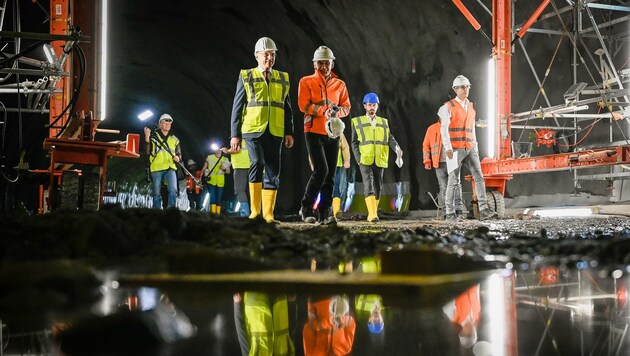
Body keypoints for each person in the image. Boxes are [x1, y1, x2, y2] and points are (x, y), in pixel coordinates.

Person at [230, 36, 294, 223]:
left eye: (272, 55)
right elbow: (237, 106)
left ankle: (268, 215)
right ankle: (255, 212)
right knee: (256, 163)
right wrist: (235, 135)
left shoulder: (283, 78)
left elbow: (287, 108)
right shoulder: (246, 75)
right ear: (257, 56)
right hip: (252, 129)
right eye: (265, 55)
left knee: (274, 171)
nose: (269, 59)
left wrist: (289, 131)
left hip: (275, 130)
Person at [298, 45, 351, 225]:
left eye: (327, 63)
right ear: (314, 64)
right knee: (321, 170)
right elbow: (303, 105)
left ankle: (325, 212)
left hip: (333, 133)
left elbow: (347, 107)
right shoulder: (306, 82)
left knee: (331, 174)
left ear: (332, 63)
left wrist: (337, 113)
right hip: (313, 131)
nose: (324, 66)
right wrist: (324, 111)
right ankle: (306, 208)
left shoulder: (340, 84)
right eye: (320, 63)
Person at [438, 75, 497, 223]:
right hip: (455, 150)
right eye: (463, 87)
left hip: (470, 148)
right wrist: (448, 147)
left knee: (479, 177)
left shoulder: (470, 106)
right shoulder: (447, 107)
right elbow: (443, 129)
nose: (466, 89)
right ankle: (450, 212)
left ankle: (483, 209)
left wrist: (475, 145)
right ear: (455, 89)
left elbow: (471, 128)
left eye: (467, 86)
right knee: (453, 181)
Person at [350, 93, 402, 223]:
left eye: (374, 105)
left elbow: (390, 138)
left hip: (380, 158)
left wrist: (397, 149)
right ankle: (372, 214)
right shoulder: (357, 122)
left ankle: (373, 211)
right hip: (365, 159)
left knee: (378, 186)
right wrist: (358, 158)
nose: (371, 107)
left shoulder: (383, 122)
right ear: (364, 106)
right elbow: (354, 142)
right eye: (369, 105)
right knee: (369, 184)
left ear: (377, 106)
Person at [422, 118, 467, 218]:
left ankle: (458, 210)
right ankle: (446, 211)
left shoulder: (454, 127)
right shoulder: (432, 129)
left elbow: (462, 143)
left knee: (456, 184)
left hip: (453, 161)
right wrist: (427, 161)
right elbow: (426, 145)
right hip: (439, 163)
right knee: (444, 187)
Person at [233, 292, 295, 356]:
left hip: (255, 305)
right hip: (280, 303)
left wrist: (237, 304)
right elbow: (291, 333)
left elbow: (241, 334)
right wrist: (292, 303)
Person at [144, 113, 181, 209]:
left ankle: (170, 210)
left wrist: (178, 158)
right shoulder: (153, 137)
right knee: (156, 192)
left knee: (173, 190)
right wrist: (147, 138)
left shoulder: (175, 139)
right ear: (160, 124)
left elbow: (179, 154)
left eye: (169, 122)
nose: (167, 123)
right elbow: (148, 152)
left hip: (170, 167)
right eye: (165, 121)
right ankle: (156, 211)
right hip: (157, 167)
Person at [225, 140, 251, 217]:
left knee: (239, 190)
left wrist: (226, 151)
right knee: (253, 190)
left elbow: (236, 149)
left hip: (240, 165)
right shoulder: (251, 135)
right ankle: (257, 212)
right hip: (252, 164)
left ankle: (245, 213)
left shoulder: (237, 137)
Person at [201, 147, 231, 214]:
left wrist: (224, 169)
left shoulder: (225, 159)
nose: (218, 151)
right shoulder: (209, 157)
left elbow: (228, 172)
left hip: (220, 182)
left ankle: (217, 215)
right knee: (213, 198)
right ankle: (213, 215)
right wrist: (201, 178)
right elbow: (204, 168)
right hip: (211, 180)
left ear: (221, 151)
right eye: (216, 149)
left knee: (219, 199)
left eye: (219, 150)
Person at [332, 134, 351, 219]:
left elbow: (345, 147)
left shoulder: (338, 130)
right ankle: (324, 211)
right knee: (324, 187)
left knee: (336, 187)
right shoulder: (320, 128)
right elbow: (313, 147)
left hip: (336, 165)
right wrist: (312, 162)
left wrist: (347, 160)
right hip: (323, 164)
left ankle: (336, 211)